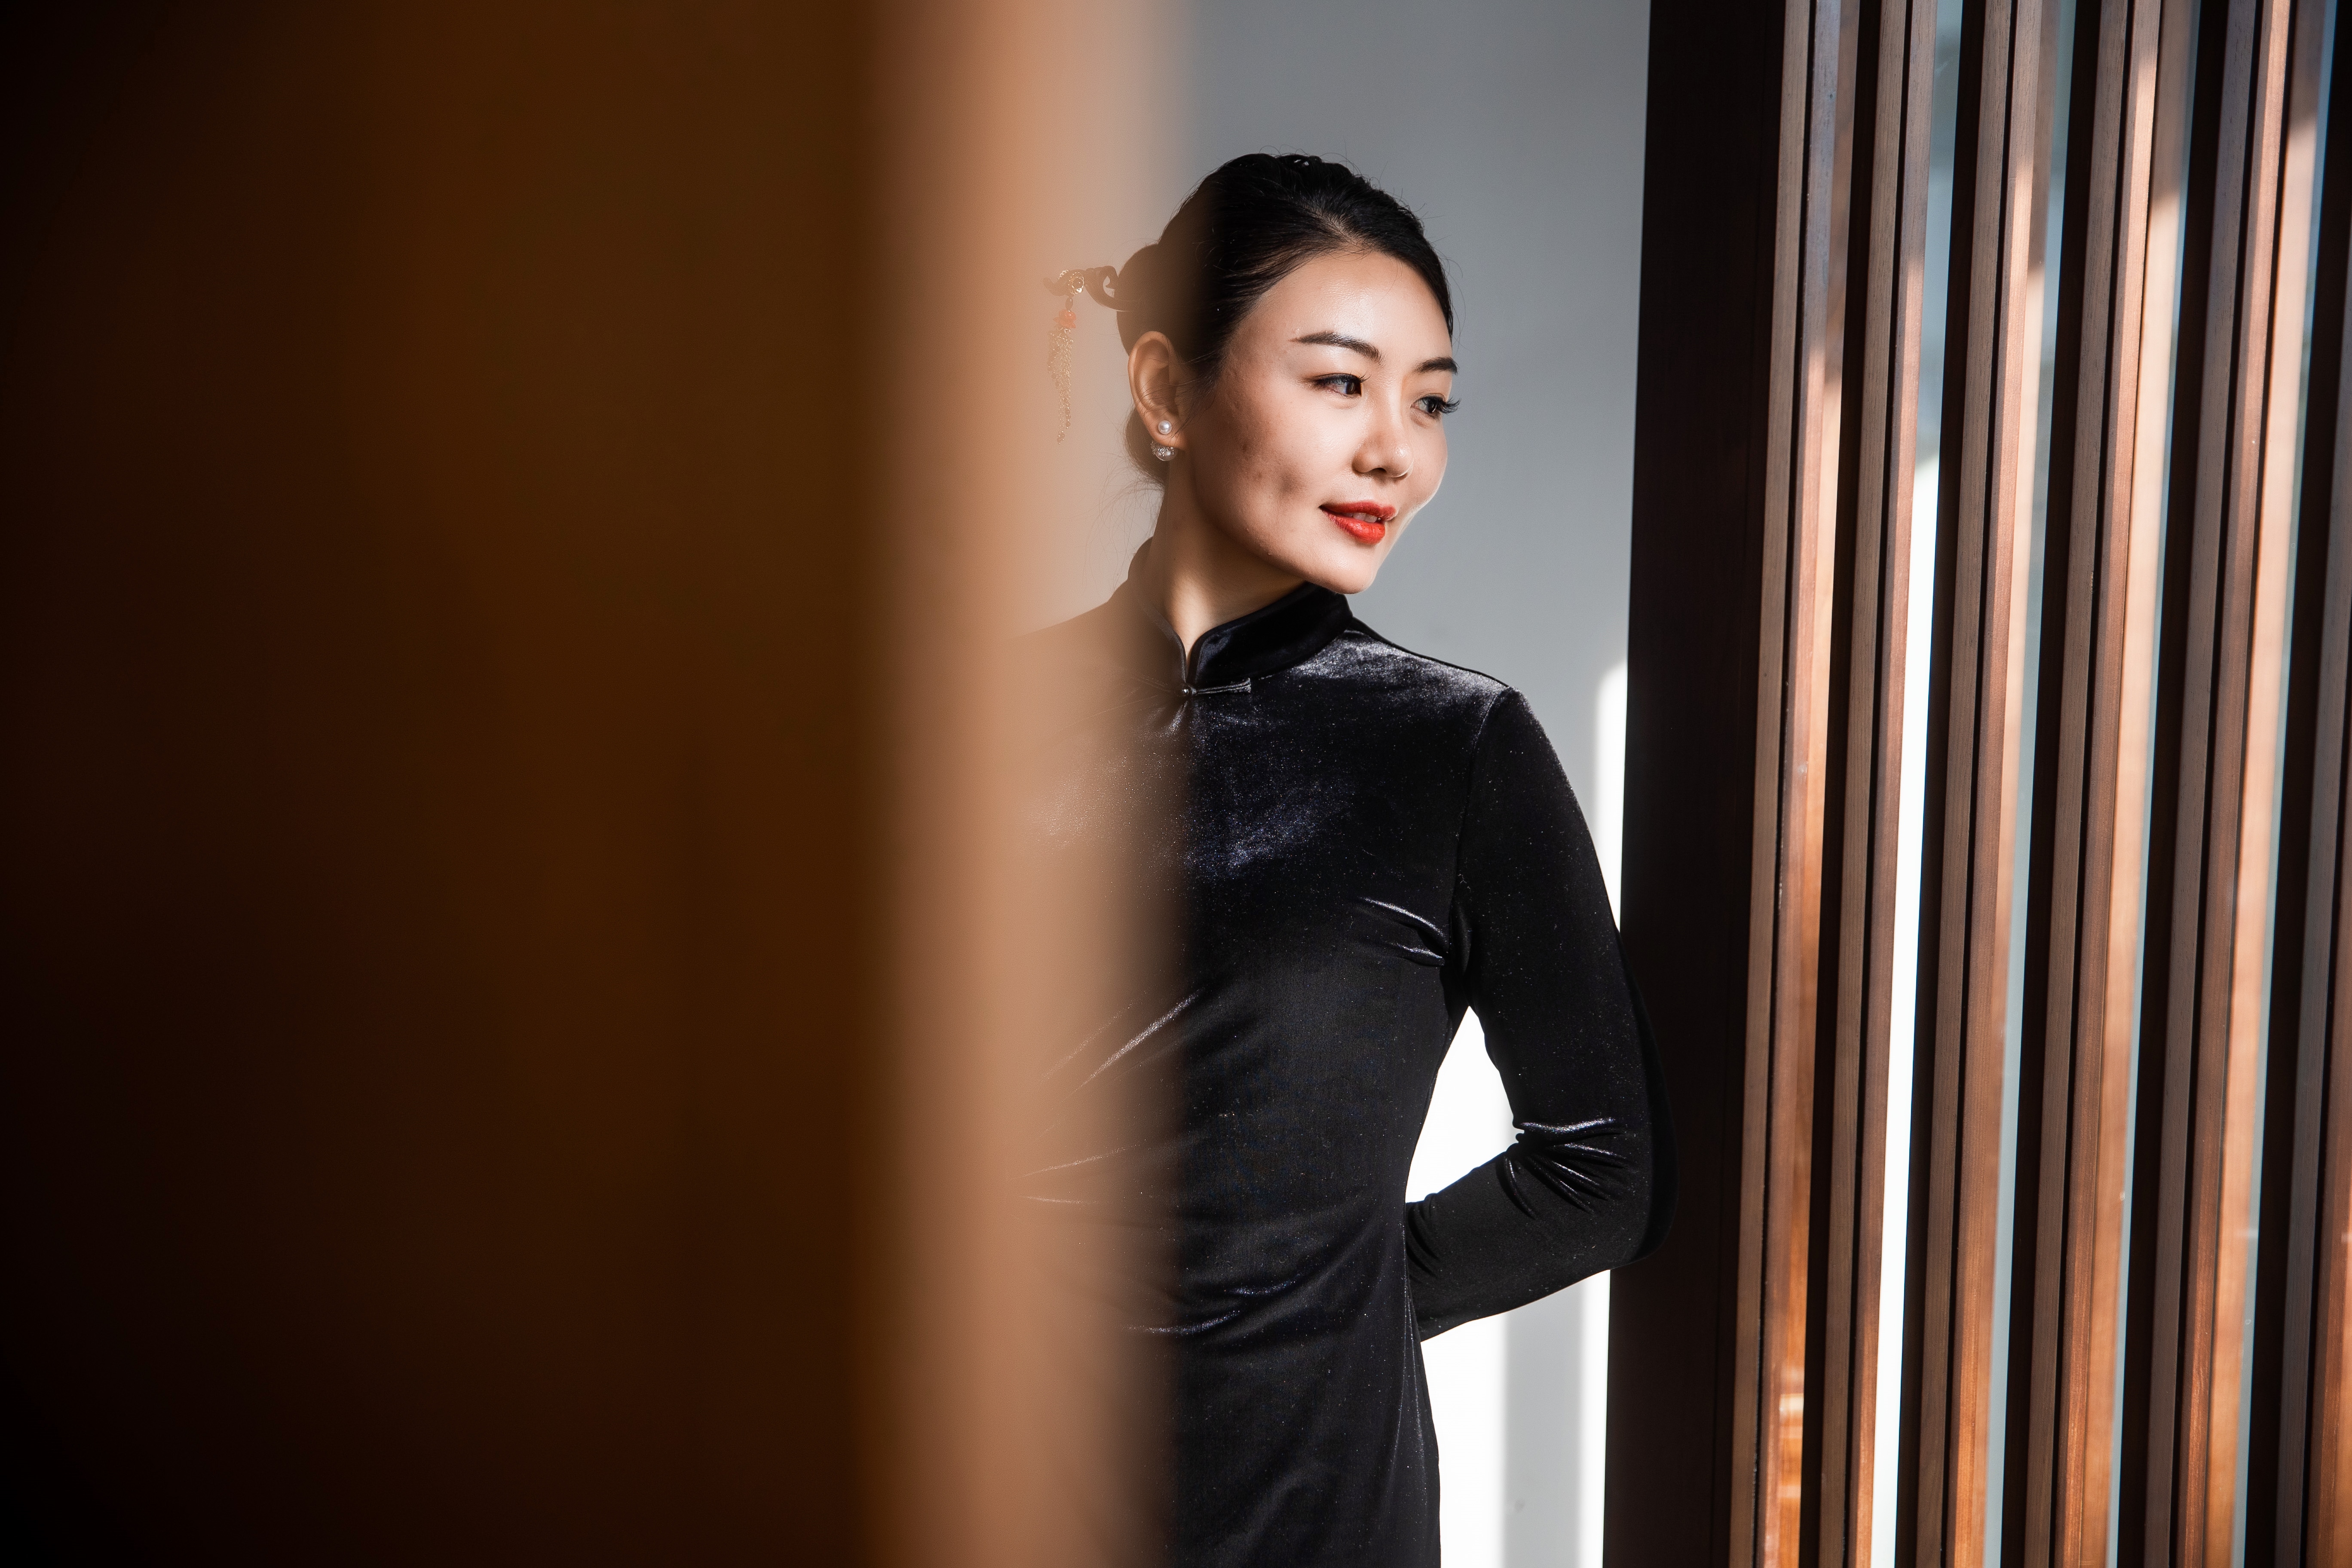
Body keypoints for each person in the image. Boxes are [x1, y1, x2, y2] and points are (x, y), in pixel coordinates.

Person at [1026, 152, 1673, 1568]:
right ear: (1165, 389)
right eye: (1341, 382)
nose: (1398, 452)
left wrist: (1326, 1303)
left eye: (1430, 402)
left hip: (1313, 1509)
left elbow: (1604, 1170)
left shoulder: (1455, 748)